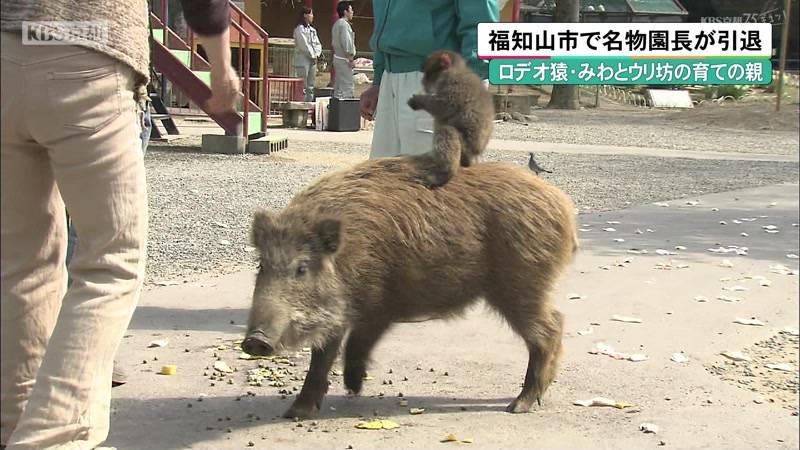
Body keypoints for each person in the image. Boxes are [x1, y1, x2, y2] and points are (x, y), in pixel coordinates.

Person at [0, 0, 239, 447]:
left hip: (7, 47)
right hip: (89, 46)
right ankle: (53, 437)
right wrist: (221, 66)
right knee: (111, 262)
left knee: (21, 263)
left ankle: (13, 423)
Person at [359, 0, 498, 158]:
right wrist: (378, 81)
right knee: (385, 169)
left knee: (438, 169)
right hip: (389, 81)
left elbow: (480, 22)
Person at [293, 7, 323, 102]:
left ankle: (309, 102)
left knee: (311, 85)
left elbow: (318, 44)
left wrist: (317, 54)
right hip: (303, 59)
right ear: (305, 15)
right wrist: (312, 55)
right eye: (311, 14)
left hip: (313, 60)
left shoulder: (313, 30)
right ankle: (300, 103)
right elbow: (304, 45)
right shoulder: (299, 29)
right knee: (302, 84)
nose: (312, 16)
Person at [332, 1, 356, 99]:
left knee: (338, 87)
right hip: (344, 59)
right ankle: (345, 107)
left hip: (338, 58)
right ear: (345, 12)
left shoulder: (337, 24)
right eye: (351, 10)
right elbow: (347, 43)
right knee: (347, 87)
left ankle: (337, 106)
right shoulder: (344, 25)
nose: (352, 12)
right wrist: (351, 58)